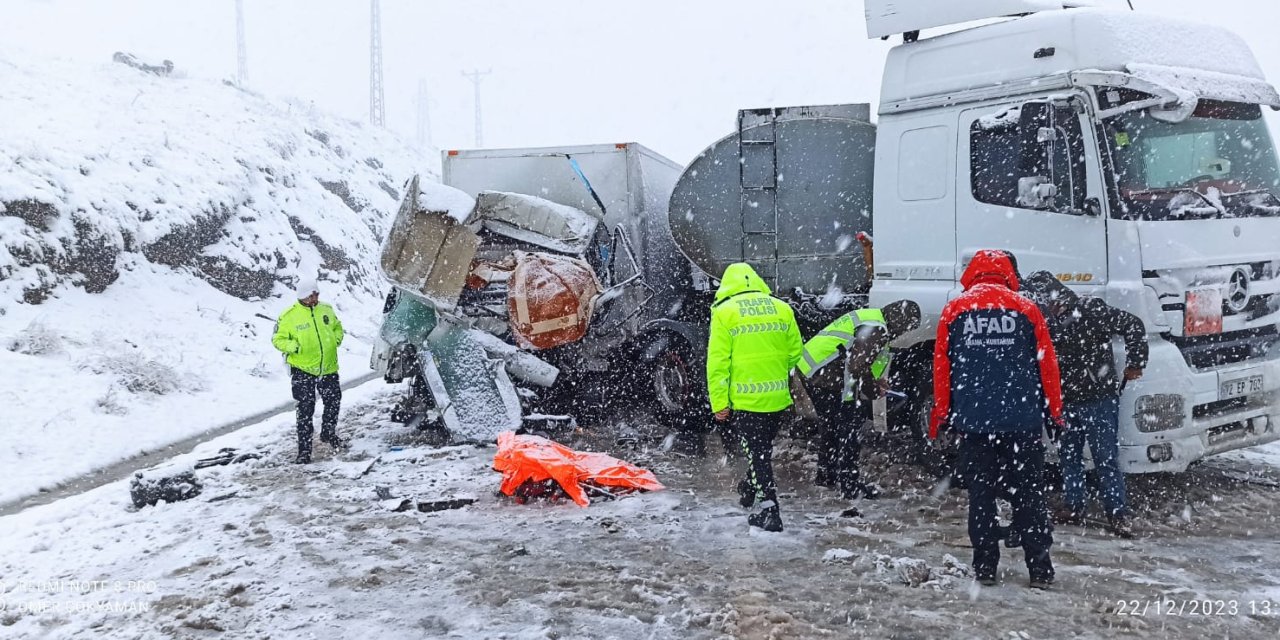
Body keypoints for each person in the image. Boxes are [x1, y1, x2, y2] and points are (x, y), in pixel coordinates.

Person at [931, 250, 1064, 589]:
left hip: (975, 427)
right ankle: (1040, 571)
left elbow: (943, 372)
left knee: (981, 498)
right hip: (1022, 424)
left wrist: (942, 416)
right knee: (1030, 496)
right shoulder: (1027, 309)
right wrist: (1054, 413)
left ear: (972, 273)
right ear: (1007, 273)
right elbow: (1047, 367)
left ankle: (985, 567)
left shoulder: (954, 310)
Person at [1022, 271, 1148, 538]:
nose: (1046, 307)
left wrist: (1136, 362)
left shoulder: (1090, 310)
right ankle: (1074, 505)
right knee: (1069, 456)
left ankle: (1117, 512)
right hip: (1067, 401)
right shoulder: (1044, 320)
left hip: (1099, 400)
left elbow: (1133, 324)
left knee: (1105, 458)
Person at [706, 263, 804, 532]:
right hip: (776, 398)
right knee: (760, 452)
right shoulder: (782, 308)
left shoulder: (724, 313)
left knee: (758, 455)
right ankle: (749, 488)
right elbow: (796, 354)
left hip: (747, 400)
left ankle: (770, 511)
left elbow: (717, 364)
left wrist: (720, 404)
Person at [797, 301, 922, 500]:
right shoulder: (877, 329)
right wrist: (872, 388)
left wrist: (874, 382)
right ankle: (849, 484)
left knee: (832, 427)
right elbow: (857, 366)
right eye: (907, 328)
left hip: (813, 369)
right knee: (849, 429)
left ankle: (826, 476)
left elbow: (859, 361)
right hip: (825, 376)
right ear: (902, 323)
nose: (903, 334)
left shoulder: (871, 316)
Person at [272, 275, 347, 464]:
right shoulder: (288, 316)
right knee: (305, 410)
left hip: (328, 367)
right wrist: (294, 347)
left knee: (333, 402)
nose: (314, 299)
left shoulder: (326, 310)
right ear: (302, 296)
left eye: (316, 294)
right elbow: (277, 339)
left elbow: (338, 328)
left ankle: (328, 433)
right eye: (311, 296)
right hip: (303, 370)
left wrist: (336, 339)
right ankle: (304, 451)